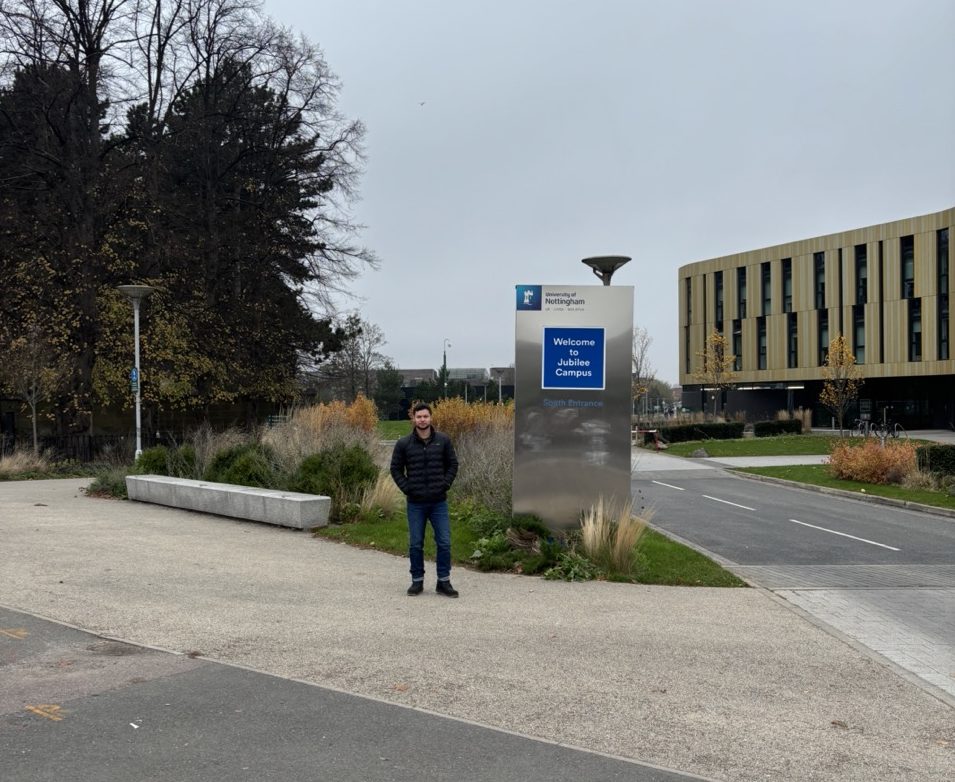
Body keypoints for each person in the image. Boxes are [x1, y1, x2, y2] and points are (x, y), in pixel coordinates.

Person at [390, 402, 460, 597]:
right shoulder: (404, 443)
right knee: (415, 543)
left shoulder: (443, 441)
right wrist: (407, 488)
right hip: (416, 503)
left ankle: (443, 582)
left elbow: (453, 464)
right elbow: (395, 469)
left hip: (438, 502)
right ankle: (417, 581)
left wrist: (445, 484)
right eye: (419, 417)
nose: (422, 420)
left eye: (425, 416)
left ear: (431, 418)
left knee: (444, 542)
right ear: (413, 418)